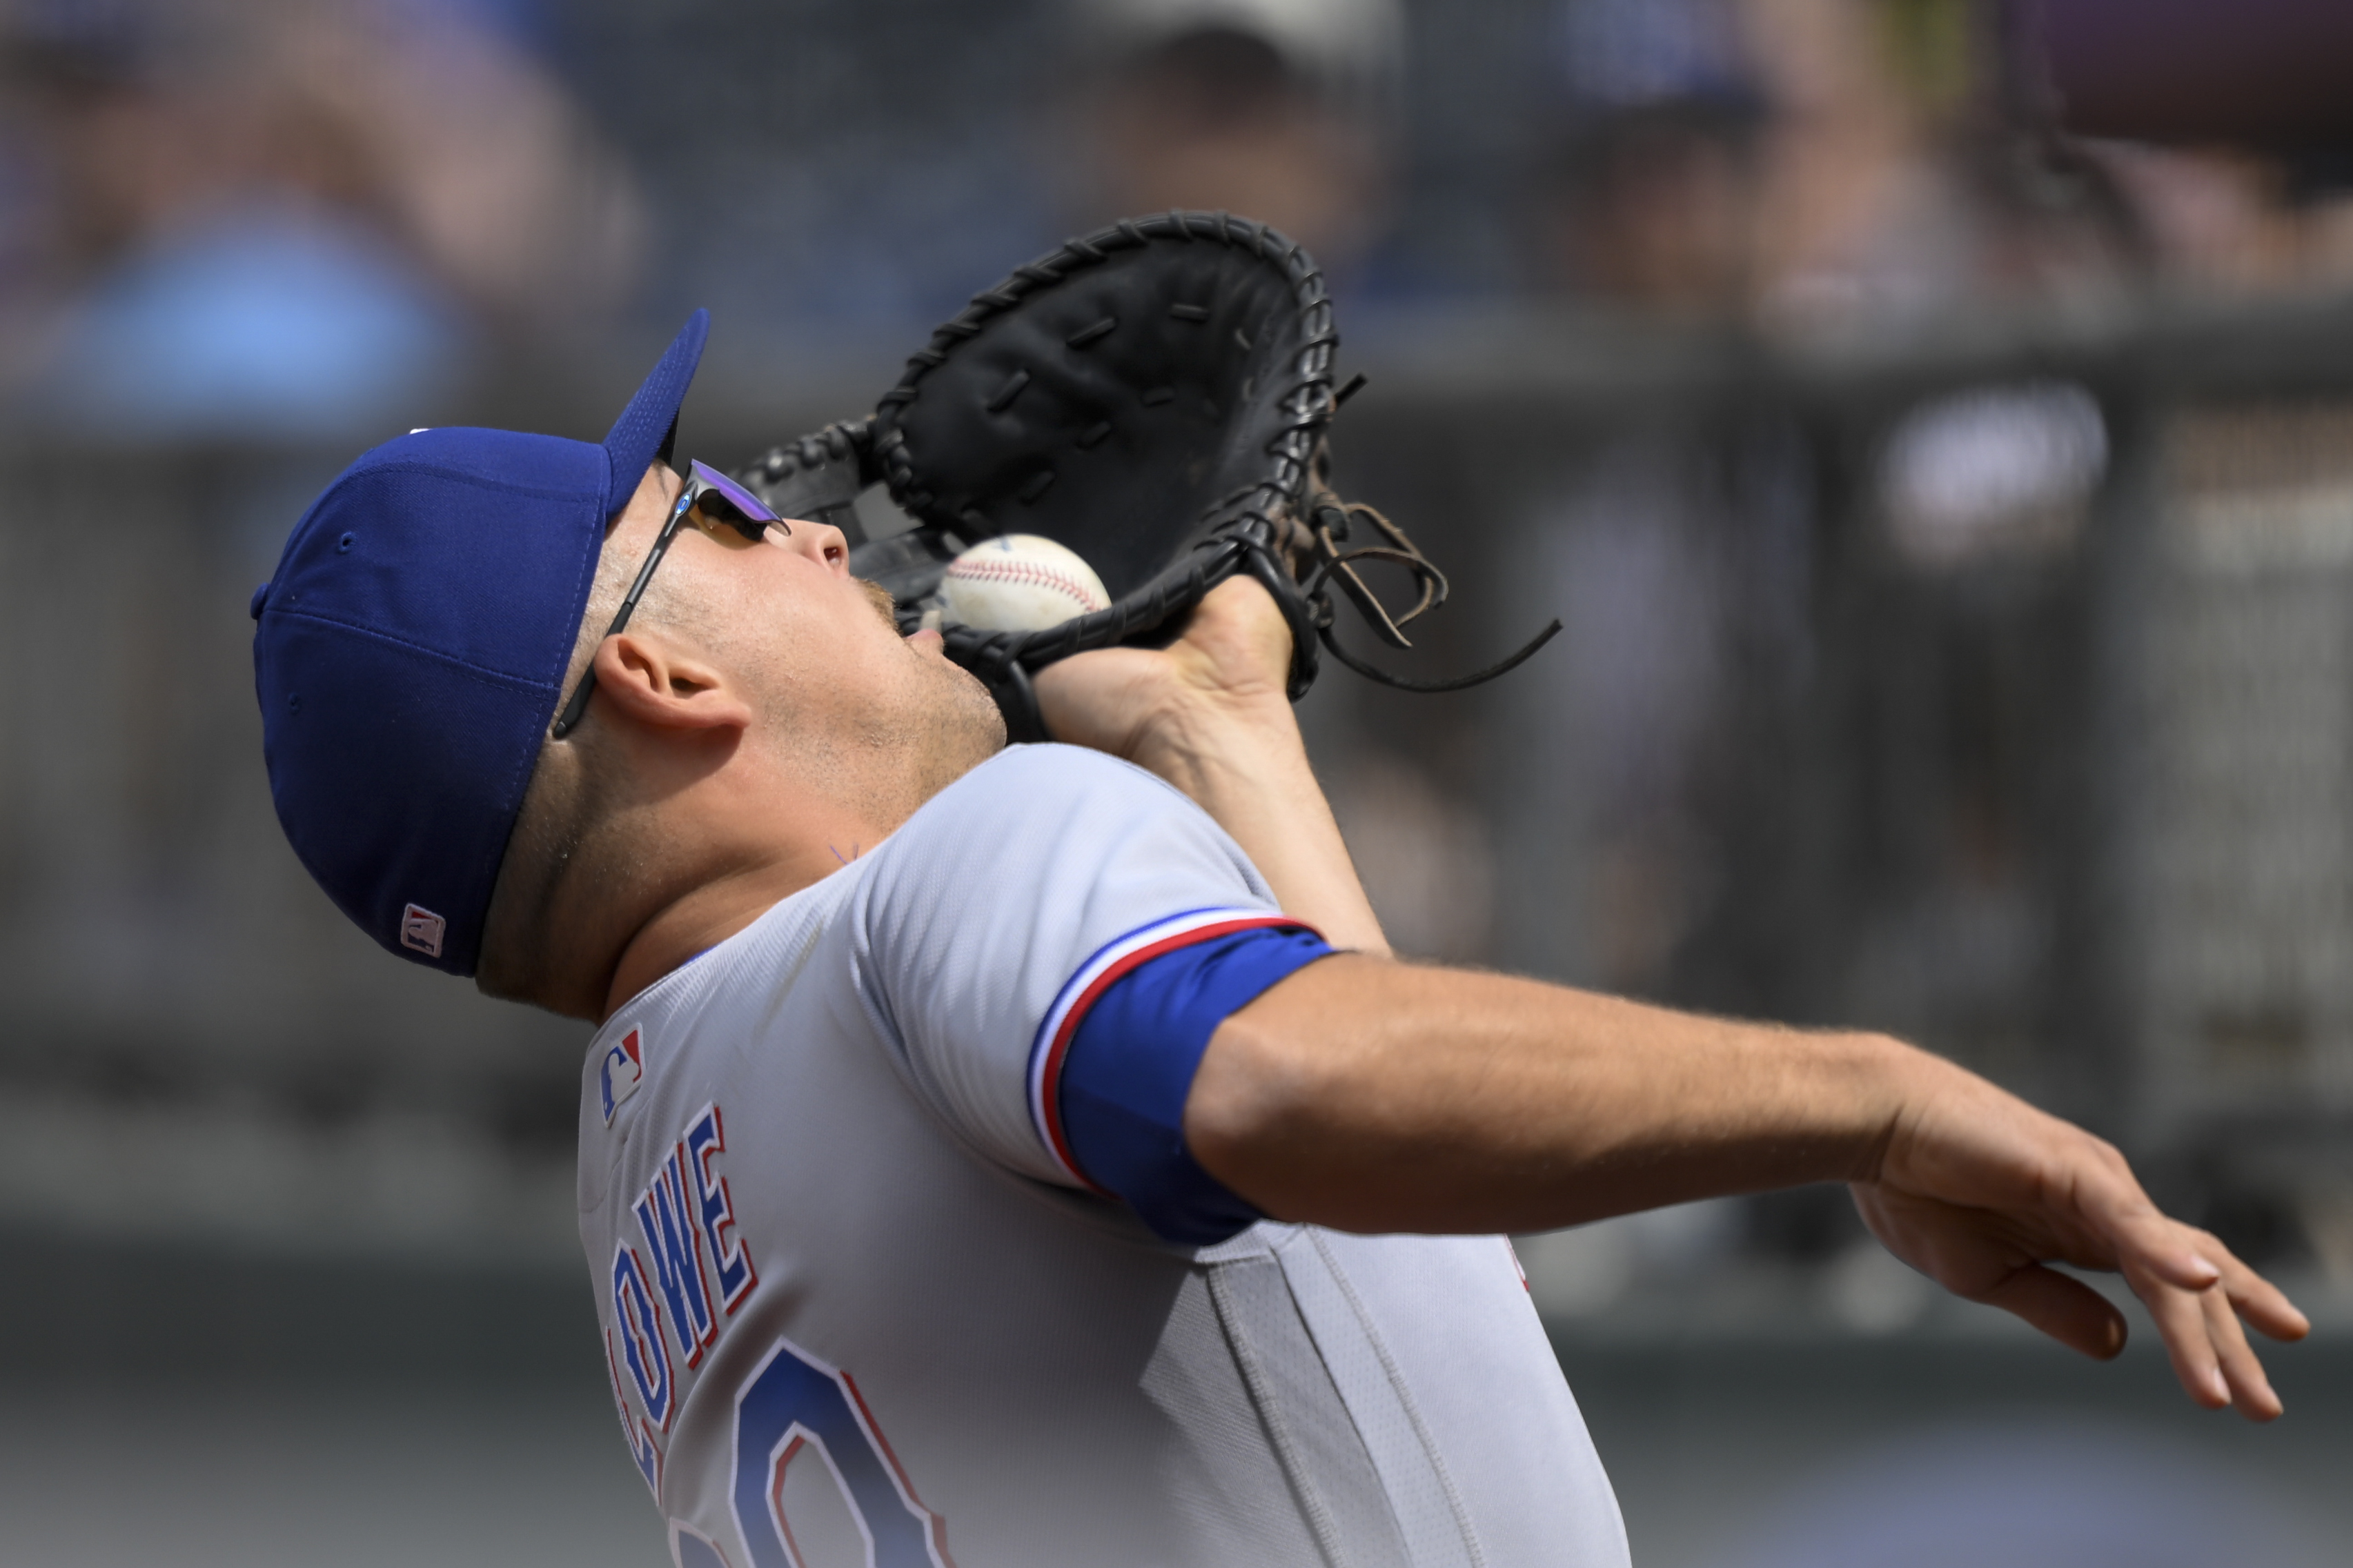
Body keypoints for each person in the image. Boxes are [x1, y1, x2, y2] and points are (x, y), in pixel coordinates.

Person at [252, 312, 2305, 1568]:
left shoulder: (652, 1181)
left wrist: (1215, 738)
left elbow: (1362, 1273)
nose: (798, 528)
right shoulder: (953, 885)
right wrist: (1867, 1095)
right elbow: (1287, 1085)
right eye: (704, 515)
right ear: (661, 688)